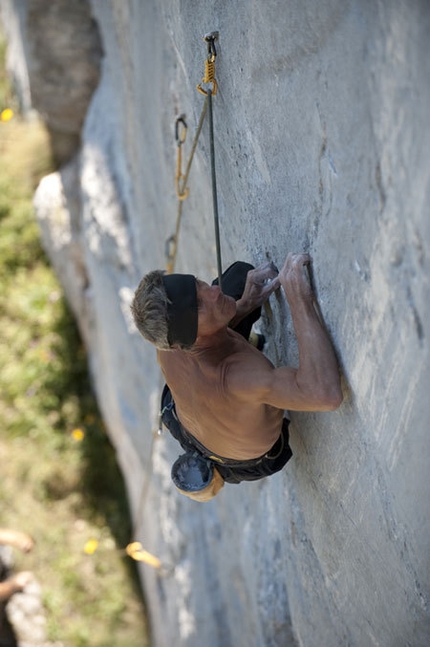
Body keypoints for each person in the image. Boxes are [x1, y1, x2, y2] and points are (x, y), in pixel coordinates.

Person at [131, 253, 342, 501]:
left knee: (239, 278)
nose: (213, 292)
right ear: (188, 341)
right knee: (232, 289)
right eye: (199, 304)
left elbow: (206, 318)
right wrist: (300, 302)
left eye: (199, 283)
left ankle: (217, 315)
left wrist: (243, 306)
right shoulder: (240, 378)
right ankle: (217, 470)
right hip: (242, 459)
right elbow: (324, 394)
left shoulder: (168, 340)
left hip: (182, 418)